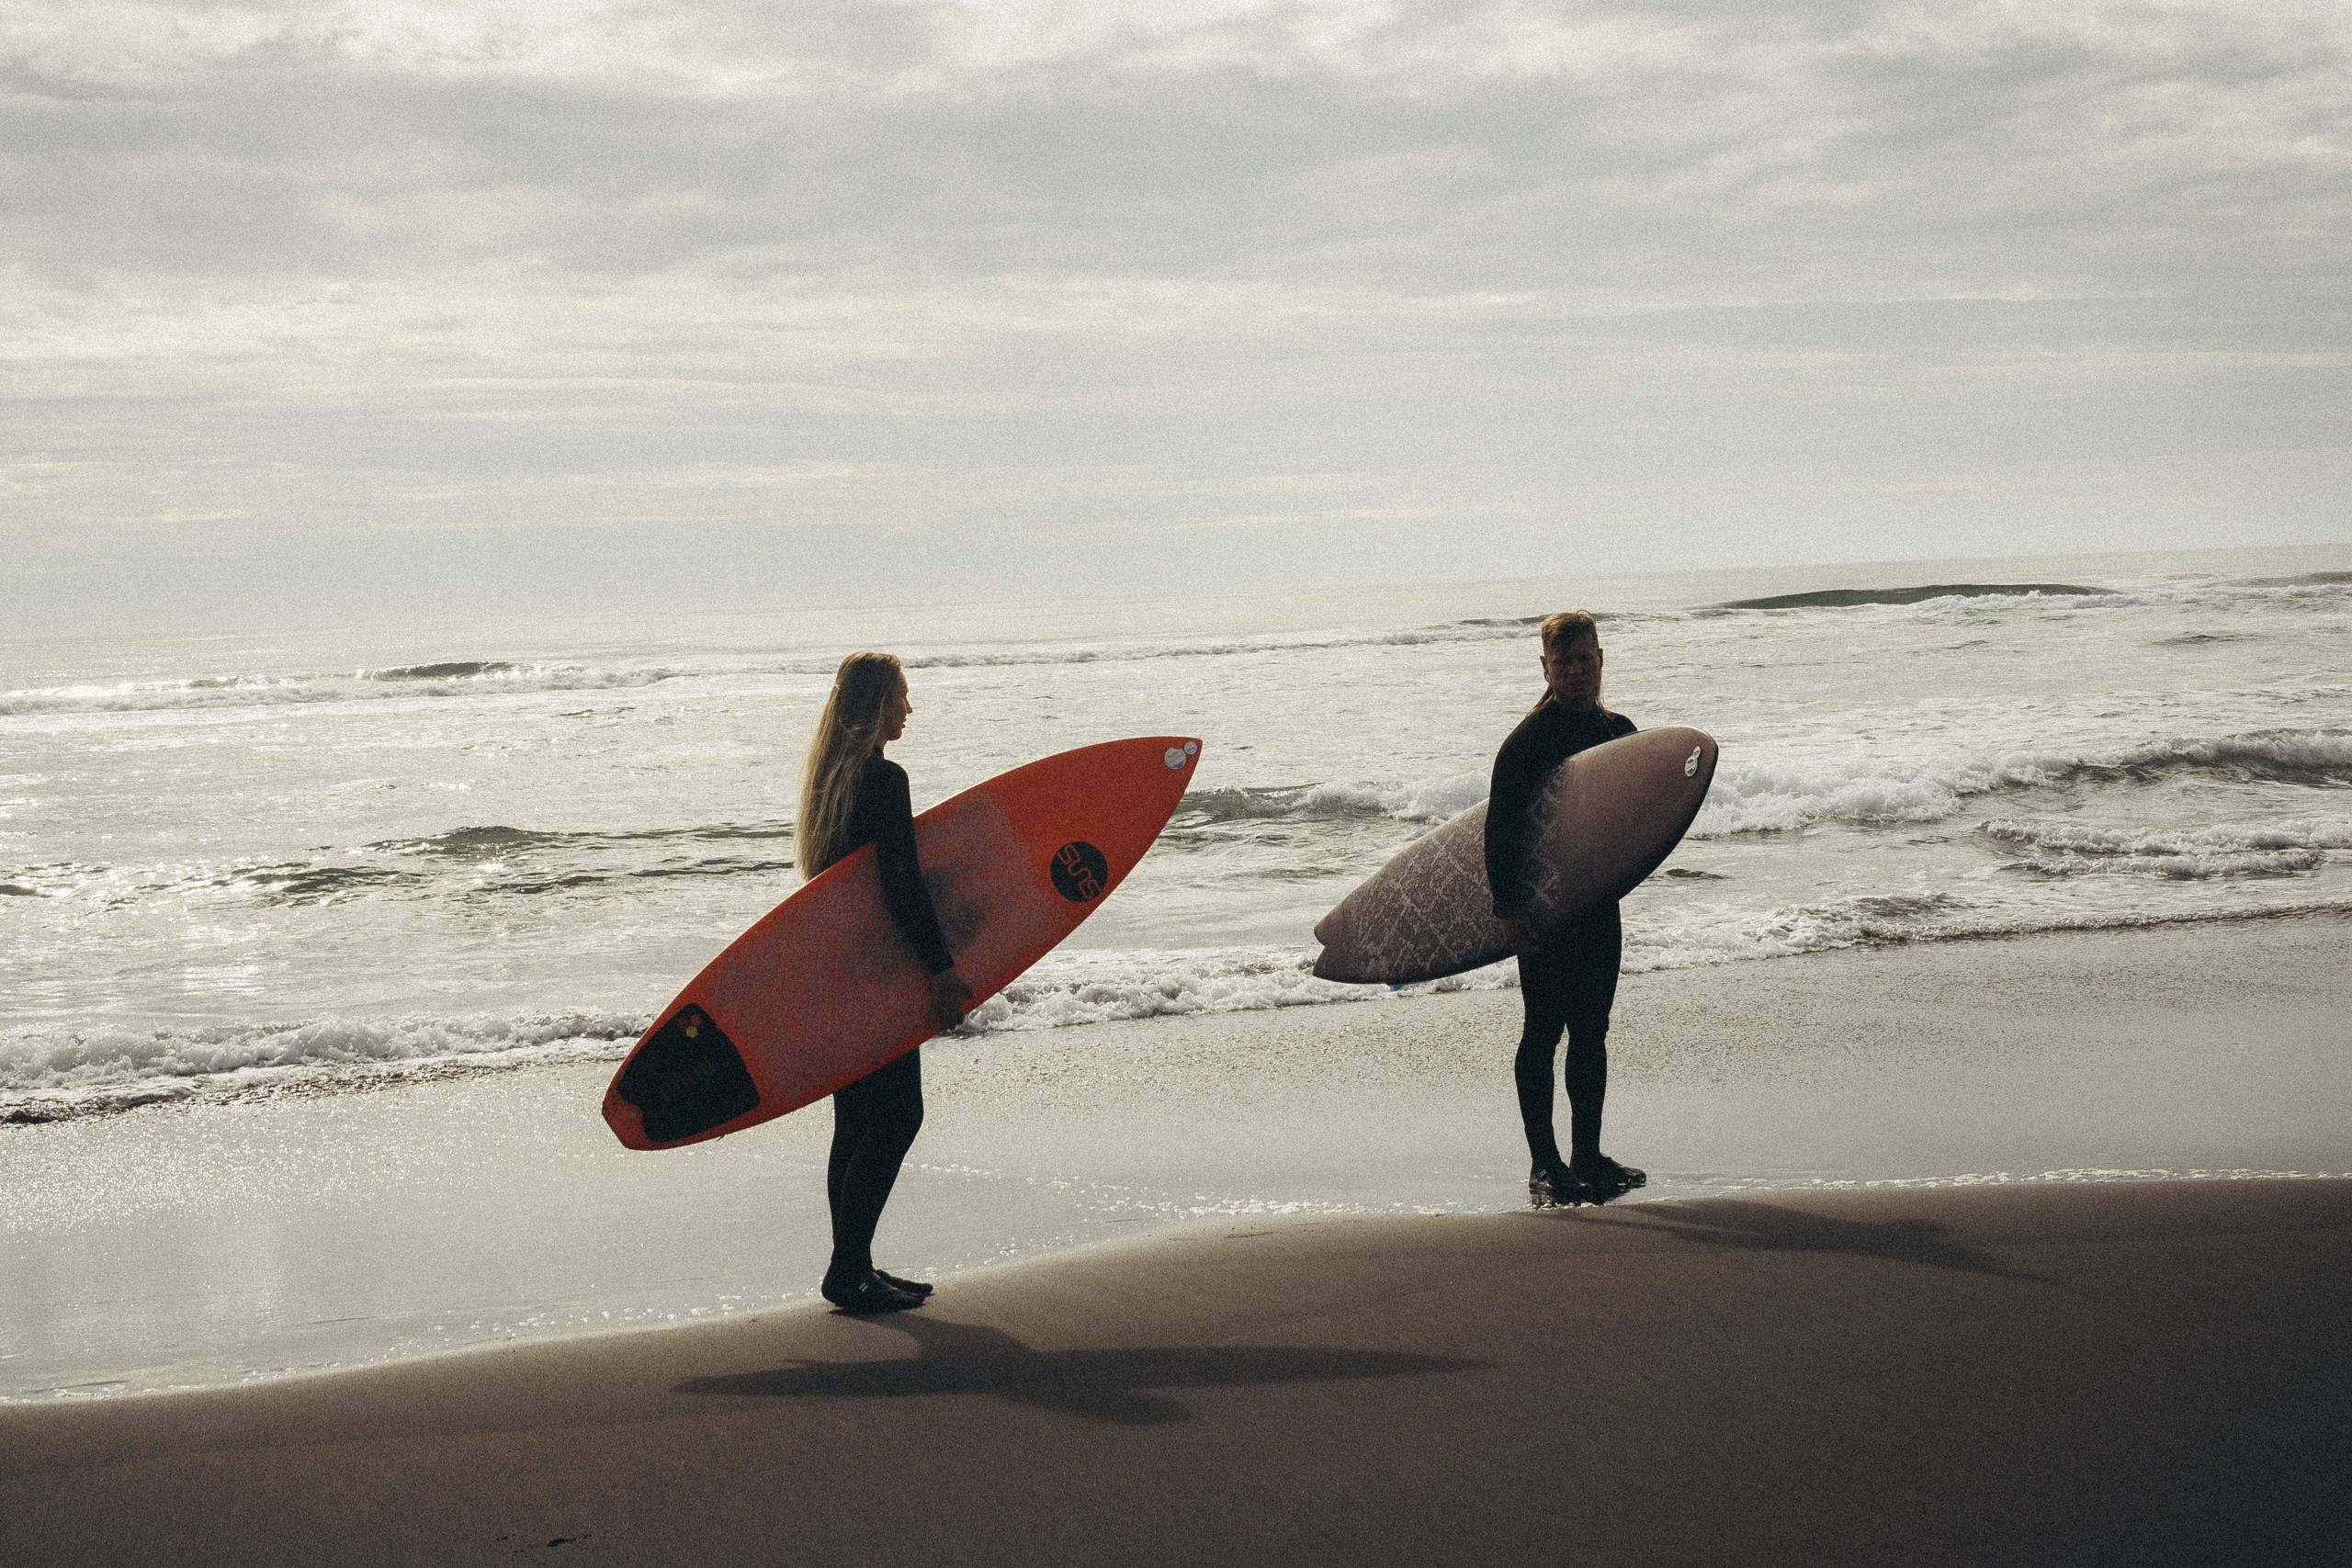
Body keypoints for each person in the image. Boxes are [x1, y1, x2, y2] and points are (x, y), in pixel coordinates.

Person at [796, 652, 976, 1314]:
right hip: (878, 972)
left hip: (839, 970)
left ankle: (854, 1266)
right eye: (902, 695)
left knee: (857, 1120)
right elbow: (902, 883)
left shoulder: (830, 784)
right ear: (878, 705)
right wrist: (941, 967)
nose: (910, 707)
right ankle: (848, 1269)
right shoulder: (883, 779)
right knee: (899, 1114)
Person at [1484, 611, 1648, 1209]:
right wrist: (1508, 908)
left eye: (1586, 658)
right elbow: (1499, 831)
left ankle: (1588, 1156)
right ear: (1545, 666)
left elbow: (1637, 815)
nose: (1577, 670)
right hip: (1545, 913)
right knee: (1543, 1031)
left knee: (1593, 1031)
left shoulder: (1620, 731)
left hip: (1598, 906)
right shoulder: (1527, 742)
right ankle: (1544, 1165)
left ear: (1601, 659)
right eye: (1565, 661)